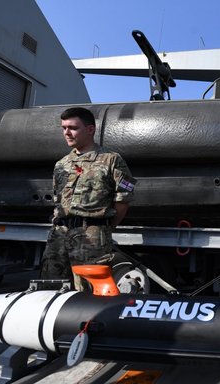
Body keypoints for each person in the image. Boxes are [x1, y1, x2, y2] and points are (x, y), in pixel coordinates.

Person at [40, 107, 137, 290]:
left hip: (91, 238)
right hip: (59, 236)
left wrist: (103, 229)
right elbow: (58, 200)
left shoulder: (111, 160)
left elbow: (123, 200)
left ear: (90, 129)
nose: (67, 133)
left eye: (73, 128)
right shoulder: (61, 164)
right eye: (64, 128)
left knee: (88, 294)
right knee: (50, 289)